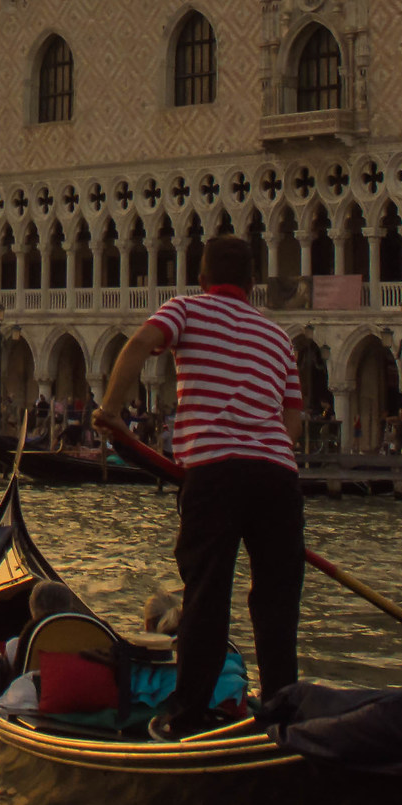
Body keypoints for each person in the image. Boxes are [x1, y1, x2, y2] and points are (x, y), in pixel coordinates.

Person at [96, 233, 302, 742]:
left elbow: (140, 343)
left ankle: (187, 714)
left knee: (208, 594)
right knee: (277, 602)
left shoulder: (186, 309)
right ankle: (282, 710)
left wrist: (112, 410)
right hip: (278, 476)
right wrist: (269, 446)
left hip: (214, 471)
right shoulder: (277, 337)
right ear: (252, 285)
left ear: (204, 279)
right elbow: (292, 412)